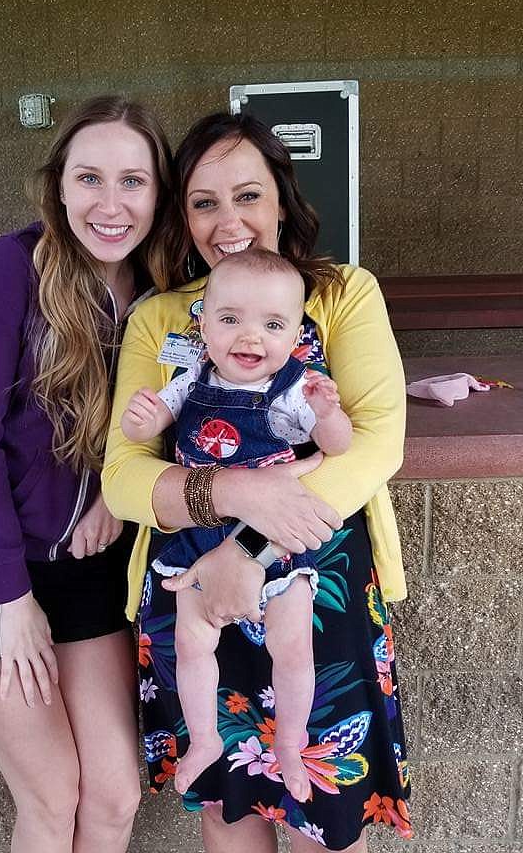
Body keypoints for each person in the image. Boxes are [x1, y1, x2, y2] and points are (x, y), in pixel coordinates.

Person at [103, 111, 412, 853]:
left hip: (313, 579)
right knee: (228, 803)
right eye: (204, 202)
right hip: (188, 584)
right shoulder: (163, 319)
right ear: (183, 216)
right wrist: (234, 495)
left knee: (324, 807)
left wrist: (244, 550)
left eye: (247, 195)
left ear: (282, 200)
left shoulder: (341, 294)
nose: (227, 220)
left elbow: (375, 446)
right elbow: (122, 476)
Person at [0, 95, 173, 853]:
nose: (111, 204)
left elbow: (195, 417)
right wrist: (12, 598)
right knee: (54, 796)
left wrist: (123, 502)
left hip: (88, 568)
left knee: (117, 794)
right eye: (90, 179)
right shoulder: (15, 267)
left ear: (158, 194)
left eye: (134, 181)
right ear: (58, 186)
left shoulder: (169, 292)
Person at [121, 248, 352, 800]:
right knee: (191, 644)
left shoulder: (295, 388)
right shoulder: (190, 376)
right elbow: (146, 432)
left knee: (293, 649)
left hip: (275, 539)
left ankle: (291, 745)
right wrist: (143, 417)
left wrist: (327, 414)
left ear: (296, 332)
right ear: (203, 323)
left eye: (273, 325)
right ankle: (203, 738)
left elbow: (339, 448)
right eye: (231, 320)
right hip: (196, 533)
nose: (251, 338)